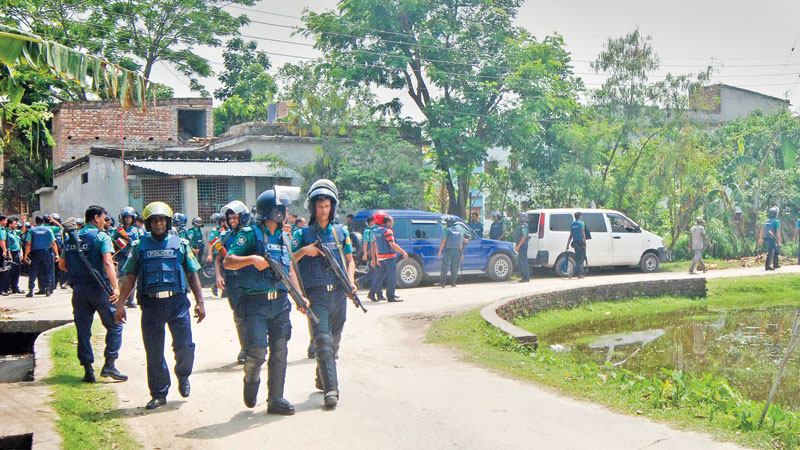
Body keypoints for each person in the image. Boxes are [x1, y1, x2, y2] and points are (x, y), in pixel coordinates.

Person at [114, 202, 205, 410]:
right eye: (154, 221)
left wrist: (200, 302)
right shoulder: (139, 247)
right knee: (154, 351)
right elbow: (129, 277)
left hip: (177, 303)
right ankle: (159, 393)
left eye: (162, 220)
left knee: (185, 346)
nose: (158, 224)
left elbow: (192, 274)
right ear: (147, 223)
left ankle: (183, 376)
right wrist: (120, 305)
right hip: (151, 304)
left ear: (168, 221)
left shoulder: (180, 244)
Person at [224, 190, 301, 415]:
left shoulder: (285, 237)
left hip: (280, 303)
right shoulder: (250, 234)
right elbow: (229, 260)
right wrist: (251, 259)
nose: (287, 213)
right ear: (273, 211)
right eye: (284, 208)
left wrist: (299, 295)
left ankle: (275, 398)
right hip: (254, 303)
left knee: (280, 350)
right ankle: (251, 379)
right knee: (257, 352)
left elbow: (289, 271)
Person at [291, 179, 357, 408]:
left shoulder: (341, 232)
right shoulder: (302, 234)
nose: (323, 210)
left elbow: (350, 261)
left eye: (327, 206)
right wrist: (303, 251)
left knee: (334, 339)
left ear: (333, 207)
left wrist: (351, 282)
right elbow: (287, 261)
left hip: (338, 293)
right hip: (315, 294)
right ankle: (332, 389)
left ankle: (322, 377)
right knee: (322, 341)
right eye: (319, 206)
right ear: (312, 207)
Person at [59, 207, 127, 383]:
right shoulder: (101, 237)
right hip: (99, 289)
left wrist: (79, 272)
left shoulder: (72, 237)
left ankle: (88, 370)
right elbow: (107, 262)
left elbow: (62, 265)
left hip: (79, 290)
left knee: (83, 330)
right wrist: (115, 287)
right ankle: (109, 365)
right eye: (104, 219)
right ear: (96, 218)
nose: (105, 222)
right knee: (115, 325)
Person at [215, 201, 250, 365]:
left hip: (250, 279)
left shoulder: (251, 234)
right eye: (230, 218)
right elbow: (218, 259)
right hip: (232, 280)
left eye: (235, 218)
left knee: (253, 314)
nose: (232, 221)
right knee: (238, 314)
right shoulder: (225, 237)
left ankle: (255, 347)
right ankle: (244, 348)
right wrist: (218, 276)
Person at [368, 215, 408, 302]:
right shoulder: (388, 231)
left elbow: (376, 245)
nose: (393, 223)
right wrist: (403, 252)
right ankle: (391, 296)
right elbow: (392, 245)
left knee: (380, 275)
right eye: (392, 221)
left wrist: (378, 257)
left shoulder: (377, 231)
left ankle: (371, 293)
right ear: (388, 222)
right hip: (389, 257)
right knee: (392, 276)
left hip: (381, 257)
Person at [112, 207, 143, 309]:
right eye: (126, 217)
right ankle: (122, 299)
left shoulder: (136, 230)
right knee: (121, 278)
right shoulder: (118, 230)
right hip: (121, 256)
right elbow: (112, 240)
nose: (128, 219)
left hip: (132, 256)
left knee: (133, 278)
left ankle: (131, 300)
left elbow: (140, 242)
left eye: (130, 217)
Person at [24, 216, 59, 297]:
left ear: (35, 222)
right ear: (43, 221)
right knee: (48, 271)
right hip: (46, 253)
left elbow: (28, 244)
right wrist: (57, 254)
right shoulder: (48, 230)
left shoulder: (31, 230)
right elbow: (53, 243)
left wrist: (26, 255)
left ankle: (31, 290)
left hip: (35, 253)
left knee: (33, 272)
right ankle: (47, 290)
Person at [438, 215, 465, 287]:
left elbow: (444, 241)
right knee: (454, 267)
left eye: (447, 222)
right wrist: (461, 253)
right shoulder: (459, 231)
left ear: (450, 223)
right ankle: (453, 283)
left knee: (445, 266)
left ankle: (443, 283)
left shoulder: (447, 230)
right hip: (456, 251)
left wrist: (440, 251)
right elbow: (460, 243)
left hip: (449, 250)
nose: (446, 223)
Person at [758, 206, 781, 271]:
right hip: (772, 238)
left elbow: (762, 229)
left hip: (767, 237)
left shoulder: (767, 221)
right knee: (771, 251)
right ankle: (767, 266)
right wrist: (779, 241)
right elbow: (778, 232)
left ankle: (775, 264)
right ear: (776, 214)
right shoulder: (776, 221)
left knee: (776, 250)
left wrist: (760, 238)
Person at [565, 212, 587, 279]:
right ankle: (572, 271)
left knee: (578, 258)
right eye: (581, 216)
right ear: (580, 216)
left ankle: (579, 275)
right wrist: (585, 244)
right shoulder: (581, 223)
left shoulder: (572, 224)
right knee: (581, 258)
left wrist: (567, 244)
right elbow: (583, 234)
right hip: (580, 243)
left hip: (575, 243)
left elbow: (571, 235)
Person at [6, 218, 22, 294]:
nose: (16, 225)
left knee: (17, 271)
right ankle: (8, 287)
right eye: (14, 223)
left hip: (17, 252)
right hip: (11, 253)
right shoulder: (6, 233)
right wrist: (8, 254)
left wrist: (24, 221)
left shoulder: (14, 232)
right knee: (10, 271)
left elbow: (23, 231)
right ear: (10, 224)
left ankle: (15, 287)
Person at [514, 212, 530, 283]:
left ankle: (526, 278)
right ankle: (524, 277)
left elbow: (524, 236)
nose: (518, 218)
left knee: (523, 262)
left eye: (519, 217)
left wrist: (519, 245)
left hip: (523, 246)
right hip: (521, 245)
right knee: (521, 261)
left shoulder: (524, 226)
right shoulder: (520, 226)